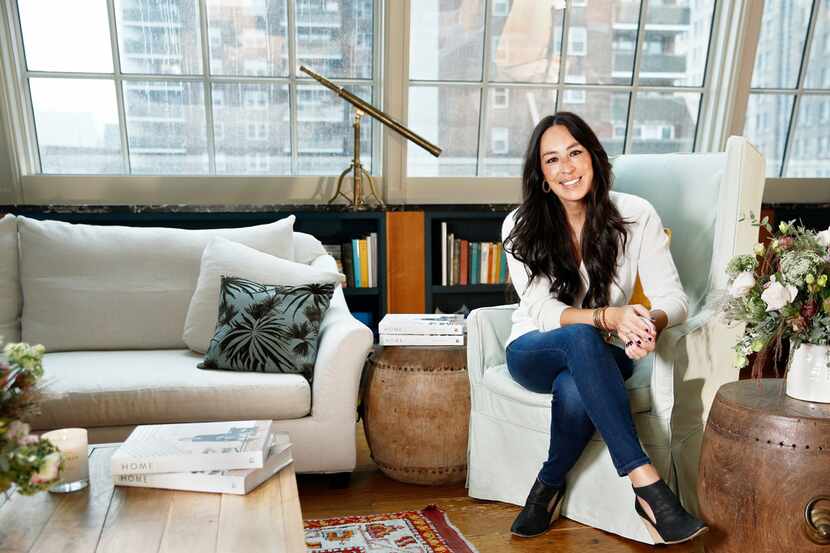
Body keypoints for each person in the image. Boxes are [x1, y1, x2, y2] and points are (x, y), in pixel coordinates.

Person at [501, 111, 707, 545]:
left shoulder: (635, 214)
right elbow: (540, 309)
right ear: (541, 175)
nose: (567, 168)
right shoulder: (520, 225)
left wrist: (645, 324)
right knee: (579, 335)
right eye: (552, 160)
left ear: (593, 157)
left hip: (604, 353)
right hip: (534, 348)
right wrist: (608, 318)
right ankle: (647, 485)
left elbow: (674, 299)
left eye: (575, 153)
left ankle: (547, 487)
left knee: (576, 388)